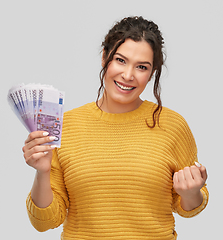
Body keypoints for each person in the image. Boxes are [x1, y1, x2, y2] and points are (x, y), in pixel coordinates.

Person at [22, 16, 209, 240]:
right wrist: (42, 172)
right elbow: (45, 222)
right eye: (120, 60)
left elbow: (189, 206)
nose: (128, 75)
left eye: (141, 67)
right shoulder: (66, 125)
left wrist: (191, 192)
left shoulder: (172, 125)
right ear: (104, 57)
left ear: (152, 73)